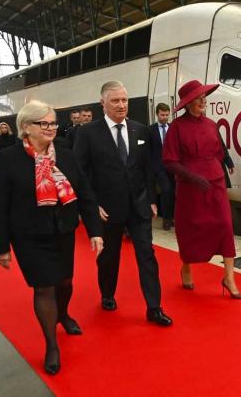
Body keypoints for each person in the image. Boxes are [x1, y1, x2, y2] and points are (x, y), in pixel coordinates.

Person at [0, 100, 104, 375]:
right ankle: (52, 344)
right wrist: (1, 248)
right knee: (44, 288)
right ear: (26, 128)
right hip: (28, 235)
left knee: (65, 282)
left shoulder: (64, 151)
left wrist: (95, 231)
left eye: (53, 122)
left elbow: (85, 192)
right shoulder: (8, 158)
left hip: (63, 229)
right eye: (44, 123)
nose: (51, 128)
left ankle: (63, 314)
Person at [73, 81, 172, 326]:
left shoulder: (141, 131)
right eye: (115, 101)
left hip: (138, 207)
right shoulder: (87, 133)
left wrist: (151, 199)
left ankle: (154, 307)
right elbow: (80, 173)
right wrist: (92, 206)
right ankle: (107, 294)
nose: (121, 105)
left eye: (124, 100)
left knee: (147, 255)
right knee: (109, 257)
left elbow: (147, 168)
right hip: (107, 210)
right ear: (102, 103)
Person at [162, 79, 241, 299]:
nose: (202, 101)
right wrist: (191, 176)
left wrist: (218, 170)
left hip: (215, 182)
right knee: (190, 229)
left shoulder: (211, 124)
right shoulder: (176, 127)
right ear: (187, 103)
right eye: (197, 98)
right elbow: (169, 161)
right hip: (189, 186)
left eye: (203, 97)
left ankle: (229, 278)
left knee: (226, 226)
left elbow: (219, 152)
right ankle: (186, 267)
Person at [149, 103, 175, 230]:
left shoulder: (173, 128)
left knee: (174, 192)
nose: (164, 117)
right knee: (166, 190)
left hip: (173, 166)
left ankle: (172, 217)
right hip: (159, 166)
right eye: (162, 115)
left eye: (166, 115)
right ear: (157, 114)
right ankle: (166, 219)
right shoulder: (150, 130)